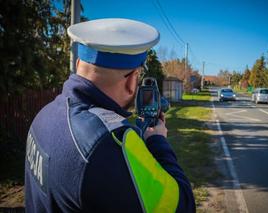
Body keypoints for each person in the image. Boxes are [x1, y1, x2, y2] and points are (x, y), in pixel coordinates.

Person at [25, 18, 195, 212]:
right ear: (132, 81)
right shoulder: (110, 143)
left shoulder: (43, 116)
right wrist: (157, 141)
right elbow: (183, 206)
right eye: (138, 75)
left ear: (79, 63)